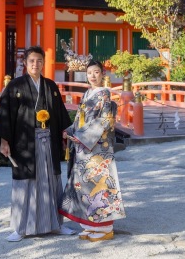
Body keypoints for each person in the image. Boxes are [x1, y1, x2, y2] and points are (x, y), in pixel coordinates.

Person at [0, 45, 76, 242]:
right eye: (31, 61)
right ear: (25, 63)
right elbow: (5, 115)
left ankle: (56, 224)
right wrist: (4, 141)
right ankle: (20, 228)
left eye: (39, 61)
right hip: (25, 143)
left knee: (51, 181)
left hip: (49, 140)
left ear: (43, 63)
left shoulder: (51, 86)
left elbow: (61, 115)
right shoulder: (15, 86)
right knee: (26, 182)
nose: (35, 64)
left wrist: (65, 134)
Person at [59, 59, 125, 242]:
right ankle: (89, 226)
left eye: (96, 72)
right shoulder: (88, 93)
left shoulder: (104, 94)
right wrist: (70, 131)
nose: (93, 76)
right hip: (83, 147)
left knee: (99, 187)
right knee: (85, 187)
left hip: (97, 148)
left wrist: (81, 136)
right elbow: (80, 118)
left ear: (103, 74)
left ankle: (105, 228)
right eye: (89, 73)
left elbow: (103, 120)